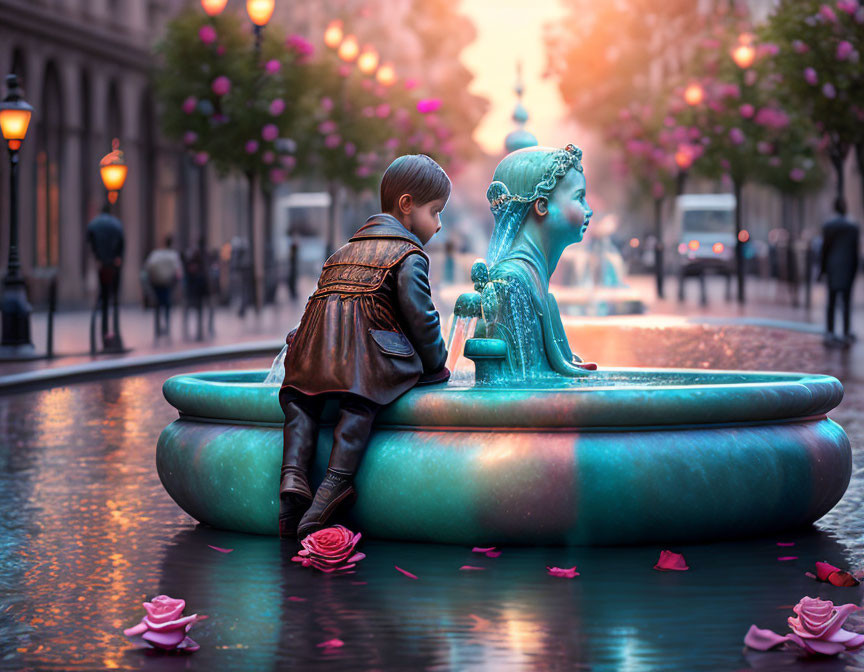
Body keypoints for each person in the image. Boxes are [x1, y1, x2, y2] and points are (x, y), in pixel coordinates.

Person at [278, 154, 451, 539]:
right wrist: (436, 362)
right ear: (406, 206)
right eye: (435, 212)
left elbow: (317, 304)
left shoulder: (342, 251)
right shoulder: (409, 254)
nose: (439, 225)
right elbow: (422, 319)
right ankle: (333, 486)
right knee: (361, 400)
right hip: (360, 357)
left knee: (302, 402)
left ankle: (293, 476)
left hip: (312, 349)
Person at [820, 197, 860, 347]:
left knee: (831, 301)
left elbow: (825, 250)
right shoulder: (853, 227)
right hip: (848, 267)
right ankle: (845, 332)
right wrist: (856, 268)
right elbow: (855, 251)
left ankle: (830, 332)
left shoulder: (829, 226)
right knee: (846, 302)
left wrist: (822, 269)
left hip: (832, 267)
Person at [86, 204, 124, 349]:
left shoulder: (95, 224)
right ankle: (112, 333)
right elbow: (122, 242)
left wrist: (98, 255)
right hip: (113, 265)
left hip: (102, 264)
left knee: (104, 297)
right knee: (113, 298)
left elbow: (88, 239)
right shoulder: (116, 224)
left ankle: (104, 332)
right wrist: (117, 257)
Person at [144, 236, 183, 337]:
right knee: (167, 306)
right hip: (167, 284)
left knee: (158, 306)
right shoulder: (173, 255)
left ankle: (157, 328)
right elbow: (178, 271)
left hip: (156, 283)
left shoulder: (156, 254)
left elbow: (147, 267)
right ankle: (166, 326)